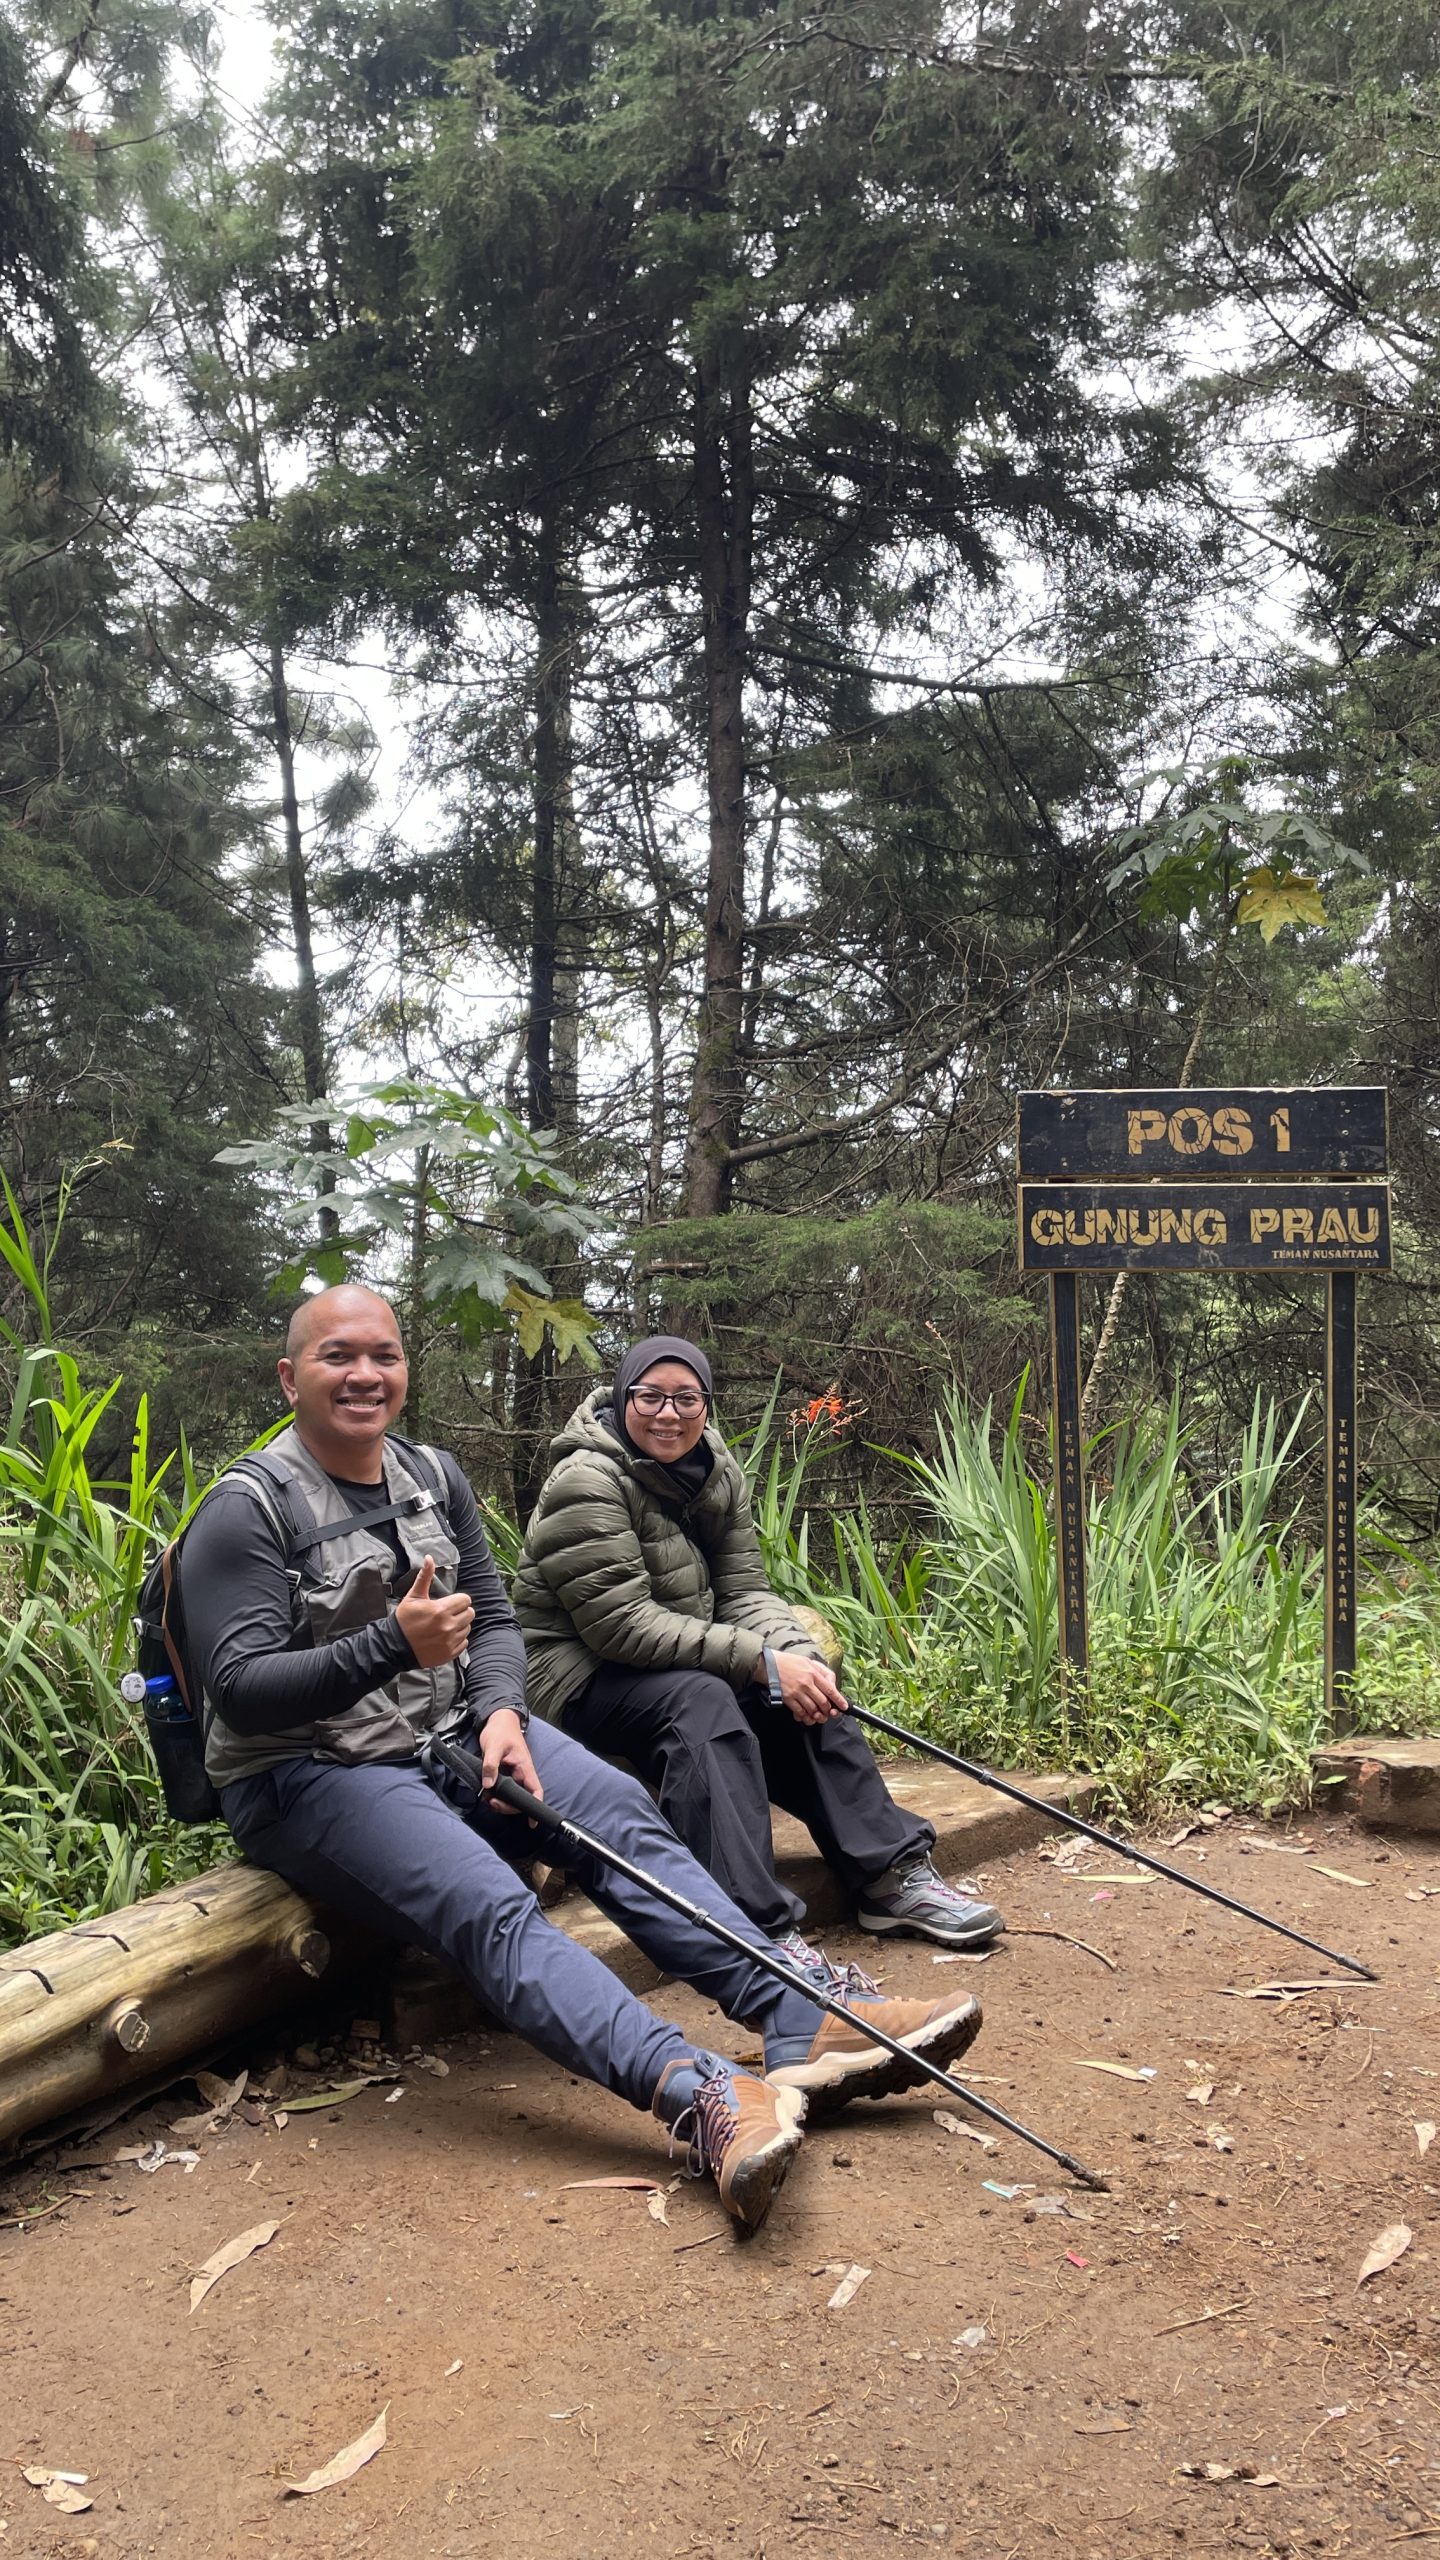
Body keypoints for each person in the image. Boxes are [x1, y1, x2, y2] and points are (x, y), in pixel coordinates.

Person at [180, 1285, 985, 2236]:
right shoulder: (246, 1508)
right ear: (290, 1376)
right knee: (491, 1902)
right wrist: (394, 1645)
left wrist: (502, 1713)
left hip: (451, 1735)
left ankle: (796, 2014)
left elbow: (490, 1616)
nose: (364, 1376)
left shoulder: (432, 1474)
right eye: (337, 1357)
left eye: (384, 1356)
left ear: (406, 1369)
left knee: (614, 1811)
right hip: (312, 1772)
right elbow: (239, 1689)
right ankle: (699, 2092)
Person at [513, 1337, 1004, 1960]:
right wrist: (759, 1660)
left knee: (802, 1692)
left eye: (686, 1398)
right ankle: (752, 1926)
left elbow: (744, 1591)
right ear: (622, 1397)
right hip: (572, 1675)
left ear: (707, 1406)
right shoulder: (585, 1481)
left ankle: (889, 1876)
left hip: (672, 1658)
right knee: (702, 1699)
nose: (669, 1413)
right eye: (650, 1397)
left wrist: (798, 1659)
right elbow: (622, 1626)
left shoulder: (713, 1471)